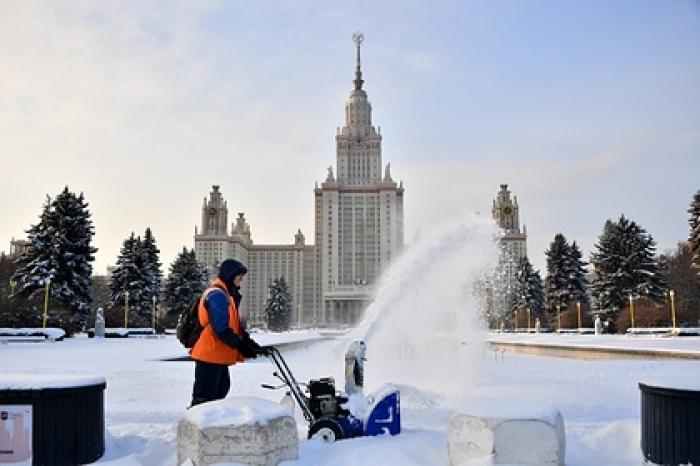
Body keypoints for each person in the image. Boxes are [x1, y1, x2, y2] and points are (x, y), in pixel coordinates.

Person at [189, 259, 268, 407]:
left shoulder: (226, 295)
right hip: (209, 355)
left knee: (220, 393)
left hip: (217, 356)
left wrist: (251, 345)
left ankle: (212, 426)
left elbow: (234, 326)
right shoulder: (217, 295)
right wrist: (241, 346)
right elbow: (221, 328)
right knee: (204, 399)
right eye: (239, 276)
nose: (241, 279)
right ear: (230, 275)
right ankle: (194, 427)